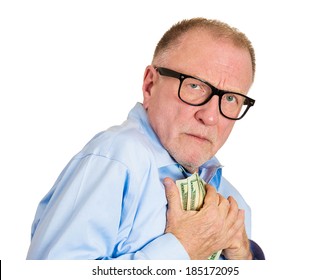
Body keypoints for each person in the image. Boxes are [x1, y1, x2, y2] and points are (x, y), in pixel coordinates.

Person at [27, 17, 265, 260]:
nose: (211, 117)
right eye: (195, 86)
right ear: (150, 85)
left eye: (230, 99)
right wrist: (181, 250)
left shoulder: (235, 208)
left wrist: (245, 259)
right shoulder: (116, 160)